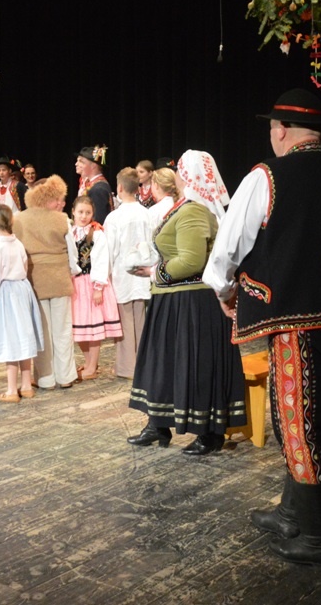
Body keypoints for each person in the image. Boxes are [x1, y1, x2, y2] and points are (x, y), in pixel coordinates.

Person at [202, 88, 321, 572]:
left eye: (273, 128)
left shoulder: (267, 175)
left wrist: (224, 289)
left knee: (297, 425)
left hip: (297, 317)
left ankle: (318, 538)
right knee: (316, 420)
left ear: (281, 130)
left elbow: (229, 247)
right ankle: (292, 513)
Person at [127, 150, 245, 455]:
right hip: (172, 301)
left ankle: (209, 432)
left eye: (180, 170)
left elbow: (192, 261)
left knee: (194, 366)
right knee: (163, 365)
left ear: (189, 176)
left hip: (190, 302)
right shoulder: (184, 208)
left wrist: (154, 271)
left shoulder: (194, 211)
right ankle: (158, 424)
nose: (176, 175)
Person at [12, 175, 80, 390]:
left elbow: (16, 252)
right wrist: (73, 272)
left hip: (34, 281)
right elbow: (73, 254)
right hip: (59, 279)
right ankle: (65, 376)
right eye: (57, 199)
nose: (60, 203)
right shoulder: (62, 220)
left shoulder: (18, 219)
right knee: (62, 329)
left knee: (41, 330)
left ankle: (45, 378)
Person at [0, 205, 44, 403]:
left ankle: (11, 390)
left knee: (10, 341)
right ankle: (26, 386)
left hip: (6, 294)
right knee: (23, 338)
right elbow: (24, 267)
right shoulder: (18, 244)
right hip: (22, 290)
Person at [102, 167, 153, 379]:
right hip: (143, 275)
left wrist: (104, 276)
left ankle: (126, 367)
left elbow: (109, 249)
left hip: (122, 276)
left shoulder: (114, 218)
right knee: (141, 320)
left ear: (120, 188)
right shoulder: (147, 214)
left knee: (124, 322)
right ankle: (143, 364)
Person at [70, 196, 122, 380]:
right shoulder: (70, 233)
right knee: (79, 328)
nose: (83, 216)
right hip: (75, 284)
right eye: (80, 212)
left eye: (88, 212)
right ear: (73, 212)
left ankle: (92, 367)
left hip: (91, 284)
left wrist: (98, 287)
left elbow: (101, 261)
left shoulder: (97, 234)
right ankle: (89, 362)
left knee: (93, 328)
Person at [75, 146, 113, 224]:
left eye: (81, 162)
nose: (76, 164)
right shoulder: (96, 185)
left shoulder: (98, 189)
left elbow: (98, 221)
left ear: (93, 166)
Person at [146, 167, 177, 231]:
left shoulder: (154, 211)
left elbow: (150, 235)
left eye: (151, 184)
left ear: (156, 185)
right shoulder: (180, 204)